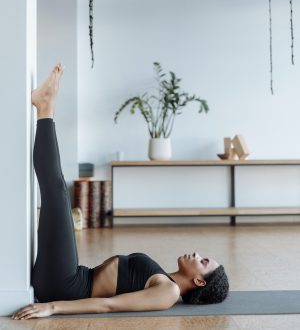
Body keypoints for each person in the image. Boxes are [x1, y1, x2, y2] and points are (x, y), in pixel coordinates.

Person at [12, 63, 229, 320]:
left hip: (65, 287)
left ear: (199, 282)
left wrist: (53, 307)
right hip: (70, 277)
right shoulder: (164, 278)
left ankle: (45, 107)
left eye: (203, 262)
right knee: (55, 192)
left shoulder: (168, 292)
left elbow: (109, 306)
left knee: (57, 190)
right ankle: (45, 107)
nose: (197, 255)